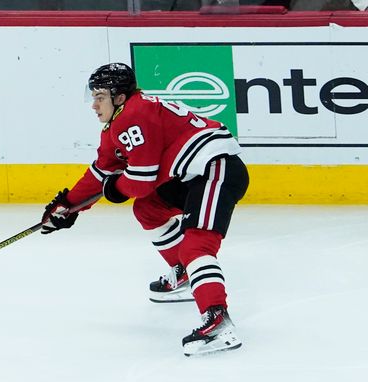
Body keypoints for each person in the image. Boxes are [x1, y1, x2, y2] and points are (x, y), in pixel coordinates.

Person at [41, 63, 249, 357]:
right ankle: (186, 275)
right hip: (190, 175)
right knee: (148, 209)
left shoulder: (134, 116)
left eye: (100, 96)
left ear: (120, 97)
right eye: (92, 96)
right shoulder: (119, 122)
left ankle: (218, 321)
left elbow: (139, 181)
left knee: (197, 245)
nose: (93, 104)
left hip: (216, 169)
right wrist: (68, 205)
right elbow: (102, 172)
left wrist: (112, 190)